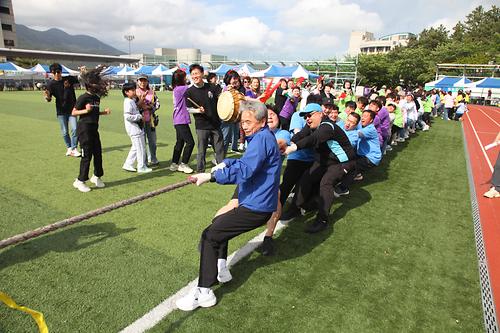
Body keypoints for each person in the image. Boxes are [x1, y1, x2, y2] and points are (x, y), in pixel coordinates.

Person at [176, 100, 281, 311]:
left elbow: (245, 170)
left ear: (261, 121)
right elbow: (246, 163)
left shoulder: (261, 139)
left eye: (249, 121)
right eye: (242, 121)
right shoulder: (263, 137)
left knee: (209, 236)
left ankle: (204, 292)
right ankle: (221, 268)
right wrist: (228, 163)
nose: (244, 125)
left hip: (256, 207)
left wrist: (211, 176)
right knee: (219, 223)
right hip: (254, 203)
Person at [281, 103, 356, 233]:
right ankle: (295, 209)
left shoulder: (327, 126)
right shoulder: (310, 125)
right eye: (305, 117)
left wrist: (292, 148)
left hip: (342, 162)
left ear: (320, 114)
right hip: (325, 160)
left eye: (309, 115)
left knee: (325, 183)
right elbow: (299, 136)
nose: (307, 119)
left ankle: (322, 219)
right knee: (305, 178)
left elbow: (313, 139)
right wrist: (286, 142)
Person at [71, 68, 111, 192]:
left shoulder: (96, 98)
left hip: (94, 129)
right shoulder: (83, 98)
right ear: (89, 85)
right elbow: (73, 112)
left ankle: (97, 176)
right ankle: (80, 180)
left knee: (98, 154)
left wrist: (103, 113)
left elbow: (94, 112)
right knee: (86, 155)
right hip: (84, 130)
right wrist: (85, 110)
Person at [185, 64, 225, 172]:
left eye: (197, 73)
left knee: (220, 148)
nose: (195, 76)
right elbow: (187, 109)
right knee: (201, 150)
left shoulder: (212, 87)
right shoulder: (189, 92)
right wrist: (197, 110)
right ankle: (200, 170)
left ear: (202, 74)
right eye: (192, 74)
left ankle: (222, 169)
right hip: (201, 125)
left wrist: (226, 91)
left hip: (215, 123)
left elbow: (222, 97)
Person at [334, 110, 381, 197]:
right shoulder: (361, 125)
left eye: (366, 116)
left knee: (352, 167)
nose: (363, 117)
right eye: (363, 115)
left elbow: (356, 134)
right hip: (362, 154)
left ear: (371, 120)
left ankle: (343, 189)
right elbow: (352, 123)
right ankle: (358, 174)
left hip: (370, 158)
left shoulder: (370, 129)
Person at [44, 63, 80, 157]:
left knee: (75, 129)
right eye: (55, 72)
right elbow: (49, 99)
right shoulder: (50, 84)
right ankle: (69, 148)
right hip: (61, 111)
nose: (57, 74)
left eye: (59, 72)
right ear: (51, 73)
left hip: (72, 109)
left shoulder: (68, 79)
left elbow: (79, 78)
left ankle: (74, 148)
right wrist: (47, 96)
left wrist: (83, 72)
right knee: (64, 131)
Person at [121, 83, 152, 174]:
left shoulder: (131, 100)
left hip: (136, 128)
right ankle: (141, 166)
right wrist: (139, 116)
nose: (134, 92)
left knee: (135, 147)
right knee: (140, 148)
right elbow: (127, 116)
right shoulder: (128, 101)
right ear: (126, 92)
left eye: (134, 89)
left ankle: (128, 164)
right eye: (132, 90)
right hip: (134, 129)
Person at [169, 69, 194, 173]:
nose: (186, 78)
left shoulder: (177, 88)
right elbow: (193, 87)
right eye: (185, 77)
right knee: (190, 142)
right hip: (181, 120)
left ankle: (174, 163)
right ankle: (183, 164)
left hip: (178, 119)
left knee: (180, 142)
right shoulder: (181, 89)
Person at [136, 75, 160, 166]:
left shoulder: (152, 92)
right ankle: (144, 161)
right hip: (140, 121)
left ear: (147, 82)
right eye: (141, 81)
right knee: (142, 143)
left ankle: (153, 158)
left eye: (144, 81)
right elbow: (134, 106)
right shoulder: (135, 92)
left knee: (153, 142)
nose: (143, 83)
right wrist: (142, 107)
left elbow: (157, 104)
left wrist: (149, 107)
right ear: (138, 81)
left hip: (151, 121)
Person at [221, 70, 244, 155]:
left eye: (236, 78)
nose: (235, 80)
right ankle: (219, 157)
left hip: (232, 117)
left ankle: (221, 156)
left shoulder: (235, 89)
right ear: (229, 79)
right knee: (225, 137)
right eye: (234, 78)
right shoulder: (226, 88)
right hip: (226, 117)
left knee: (227, 138)